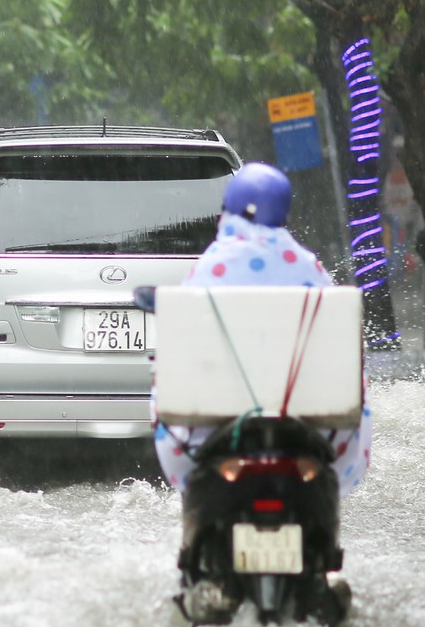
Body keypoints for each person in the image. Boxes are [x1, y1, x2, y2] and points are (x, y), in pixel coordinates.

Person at [151, 163, 371, 494]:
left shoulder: (210, 265)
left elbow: (181, 349)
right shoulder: (308, 265)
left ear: (229, 210)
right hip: (307, 425)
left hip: (216, 430)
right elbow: (342, 346)